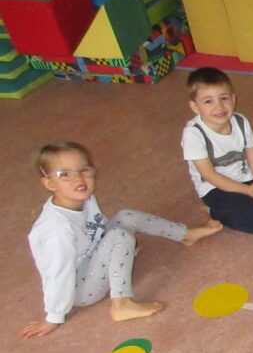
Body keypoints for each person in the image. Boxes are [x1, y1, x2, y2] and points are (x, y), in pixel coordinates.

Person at [20, 141, 222, 339]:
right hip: (80, 289)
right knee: (120, 236)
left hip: (90, 256)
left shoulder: (83, 197)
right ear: (49, 183)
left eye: (84, 170)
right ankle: (121, 305)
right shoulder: (57, 230)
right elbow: (59, 273)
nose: (78, 179)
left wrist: (114, 253)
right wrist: (54, 316)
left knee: (126, 217)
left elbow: (96, 230)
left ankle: (185, 235)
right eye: (65, 175)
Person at [181, 67, 253, 234]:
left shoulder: (240, 122)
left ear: (233, 99)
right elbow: (209, 175)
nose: (219, 106)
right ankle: (214, 211)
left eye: (224, 98)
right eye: (208, 101)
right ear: (195, 107)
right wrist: (249, 191)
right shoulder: (193, 134)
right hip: (215, 188)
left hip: (245, 177)